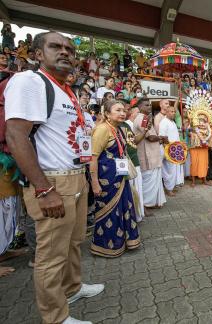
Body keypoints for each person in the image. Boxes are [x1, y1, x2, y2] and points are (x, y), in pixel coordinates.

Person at [5, 31, 104, 324]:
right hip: (52, 181)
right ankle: (56, 317)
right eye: (55, 46)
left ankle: (72, 289)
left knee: (73, 243)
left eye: (70, 49)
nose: (65, 52)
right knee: (51, 255)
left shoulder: (65, 89)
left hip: (76, 176)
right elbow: (16, 135)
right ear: (37, 54)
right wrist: (44, 189)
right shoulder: (29, 82)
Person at [89, 100, 140, 257]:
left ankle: (124, 242)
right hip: (106, 180)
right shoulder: (102, 130)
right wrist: (95, 183)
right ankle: (106, 247)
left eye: (123, 110)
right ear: (107, 114)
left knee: (123, 208)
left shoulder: (118, 129)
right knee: (109, 213)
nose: (122, 113)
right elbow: (93, 158)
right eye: (117, 110)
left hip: (120, 177)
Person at [134, 98, 167, 209]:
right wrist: (162, 137)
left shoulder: (145, 118)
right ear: (140, 107)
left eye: (150, 105)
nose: (149, 107)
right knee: (148, 183)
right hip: (148, 157)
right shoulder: (143, 119)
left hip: (152, 155)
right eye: (147, 105)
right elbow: (150, 137)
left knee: (152, 181)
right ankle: (146, 205)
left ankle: (151, 203)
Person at [159, 106, 184, 196]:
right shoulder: (164, 122)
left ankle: (171, 187)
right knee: (169, 170)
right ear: (166, 112)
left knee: (173, 169)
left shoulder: (172, 122)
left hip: (175, 149)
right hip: (169, 150)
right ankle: (168, 189)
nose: (173, 113)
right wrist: (170, 149)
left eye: (174, 111)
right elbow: (163, 137)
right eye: (171, 111)